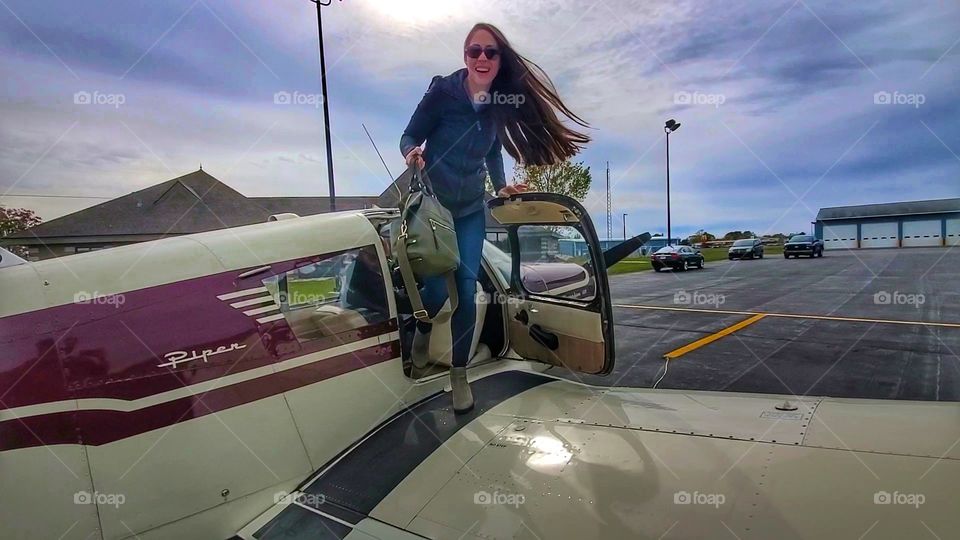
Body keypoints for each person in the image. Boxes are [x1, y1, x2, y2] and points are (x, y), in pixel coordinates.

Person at [400, 22, 590, 413]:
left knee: (467, 288)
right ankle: (421, 325)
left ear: (500, 59)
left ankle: (458, 374)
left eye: (491, 52)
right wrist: (411, 153)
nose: (482, 58)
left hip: (470, 209)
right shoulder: (442, 93)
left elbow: (492, 151)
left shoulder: (500, 102)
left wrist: (501, 186)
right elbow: (409, 134)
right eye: (475, 51)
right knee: (435, 293)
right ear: (464, 56)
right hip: (435, 208)